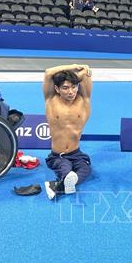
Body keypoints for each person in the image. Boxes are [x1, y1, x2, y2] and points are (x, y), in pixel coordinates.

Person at [42, 64, 93, 198]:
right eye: (65, 88)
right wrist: (73, 66)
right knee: (65, 167)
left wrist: (81, 71)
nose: (71, 92)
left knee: (85, 169)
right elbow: (48, 72)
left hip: (76, 154)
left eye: (74, 87)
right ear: (57, 89)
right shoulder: (50, 100)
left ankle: (61, 184)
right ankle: (66, 180)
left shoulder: (84, 100)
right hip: (58, 155)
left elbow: (86, 71)